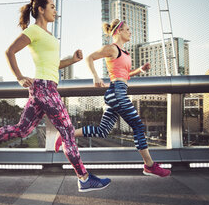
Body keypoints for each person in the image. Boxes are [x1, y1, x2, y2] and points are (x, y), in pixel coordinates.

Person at [0, 0, 111, 192]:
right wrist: (19, 77)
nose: (55, 11)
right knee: (67, 130)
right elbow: (10, 51)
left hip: (45, 88)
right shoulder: (33, 30)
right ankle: (84, 178)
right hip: (44, 88)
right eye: (52, 6)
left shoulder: (49, 36)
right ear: (41, 9)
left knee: (22, 130)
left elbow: (54, 65)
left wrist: (72, 60)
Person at [55, 19, 171, 177]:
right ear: (119, 32)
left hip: (118, 91)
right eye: (128, 29)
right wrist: (95, 77)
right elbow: (89, 57)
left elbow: (124, 75)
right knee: (137, 125)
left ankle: (66, 133)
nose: (130, 32)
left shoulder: (125, 53)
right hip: (116, 93)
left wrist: (140, 70)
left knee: (103, 131)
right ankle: (149, 165)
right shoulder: (112, 49)